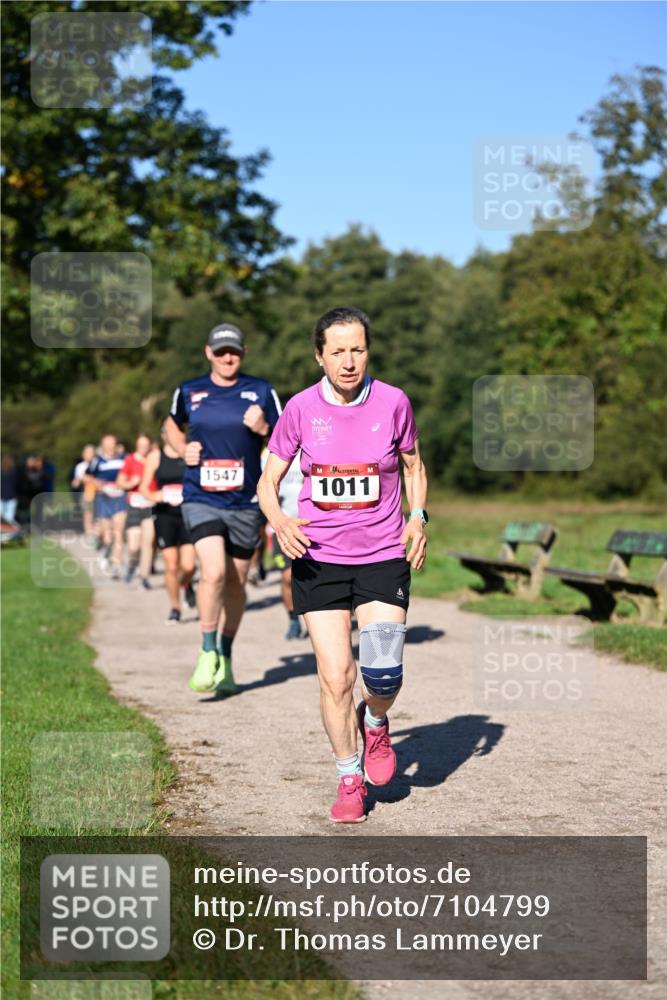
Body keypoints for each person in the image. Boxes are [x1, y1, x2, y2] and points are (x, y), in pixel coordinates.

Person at [258, 306, 428, 824]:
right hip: (318, 560)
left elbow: (414, 466)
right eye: (338, 351)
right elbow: (267, 482)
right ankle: (349, 777)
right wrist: (281, 522)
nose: (349, 361)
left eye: (357, 349)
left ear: (367, 351)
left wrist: (417, 518)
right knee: (335, 676)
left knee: (381, 674)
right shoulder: (302, 409)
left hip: (380, 557)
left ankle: (375, 721)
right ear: (320, 355)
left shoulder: (394, 401)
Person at [165, 322, 282, 694]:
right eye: (220, 351)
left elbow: (286, 440)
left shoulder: (262, 391)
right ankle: (206, 650)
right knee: (212, 572)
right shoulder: (189, 391)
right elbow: (170, 426)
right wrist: (183, 449)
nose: (227, 357)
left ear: (243, 353)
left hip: (245, 502)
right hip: (201, 497)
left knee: (236, 581)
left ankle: (226, 656)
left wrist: (264, 427)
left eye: (233, 351)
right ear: (208, 353)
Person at [139, 422, 197, 625]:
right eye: (171, 432)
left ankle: (187, 583)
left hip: (188, 513)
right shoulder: (155, 457)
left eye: (180, 431)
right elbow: (144, 487)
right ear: (164, 435)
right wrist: (157, 495)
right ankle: (175, 607)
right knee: (171, 565)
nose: (176, 435)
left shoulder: (190, 453)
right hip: (165, 514)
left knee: (188, 565)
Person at [272, 452, 307, 639]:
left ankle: (316, 618)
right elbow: (265, 486)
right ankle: (293, 619)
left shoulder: (314, 445)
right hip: (284, 526)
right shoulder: (271, 454)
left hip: (311, 525)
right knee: (287, 577)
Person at [85, 434, 127, 578]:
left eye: (112, 445)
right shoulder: (97, 461)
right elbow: (87, 476)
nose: (110, 448)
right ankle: (105, 551)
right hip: (104, 499)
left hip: (120, 498)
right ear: (102, 446)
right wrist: (99, 484)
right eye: (107, 446)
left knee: (119, 532)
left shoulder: (123, 458)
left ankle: (116, 564)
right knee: (108, 535)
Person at [117, 433, 156, 588]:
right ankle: (132, 565)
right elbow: (119, 482)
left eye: (146, 446)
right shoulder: (130, 460)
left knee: (148, 542)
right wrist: (130, 483)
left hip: (150, 505)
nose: (143, 449)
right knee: (134, 546)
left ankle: (144, 577)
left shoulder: (154, 460)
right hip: (134, 505)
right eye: (140, 446)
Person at [70, 444, 96, 536]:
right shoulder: (80, 466)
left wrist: (86, 478)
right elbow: (76, 482)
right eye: (87, 453)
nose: (89, 455)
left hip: (98, 494)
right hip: (86, 494)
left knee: (98, 514)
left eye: (91, 453)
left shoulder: (97, 464)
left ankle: (96, 531)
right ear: (83, 455)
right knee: (87, 513)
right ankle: (89, 532)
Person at [1, 454, 18, 525]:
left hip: (5, 497)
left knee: (4, 518)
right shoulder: (15, 472)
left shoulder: (14, 472)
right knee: (9, 518)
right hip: (11, 497)